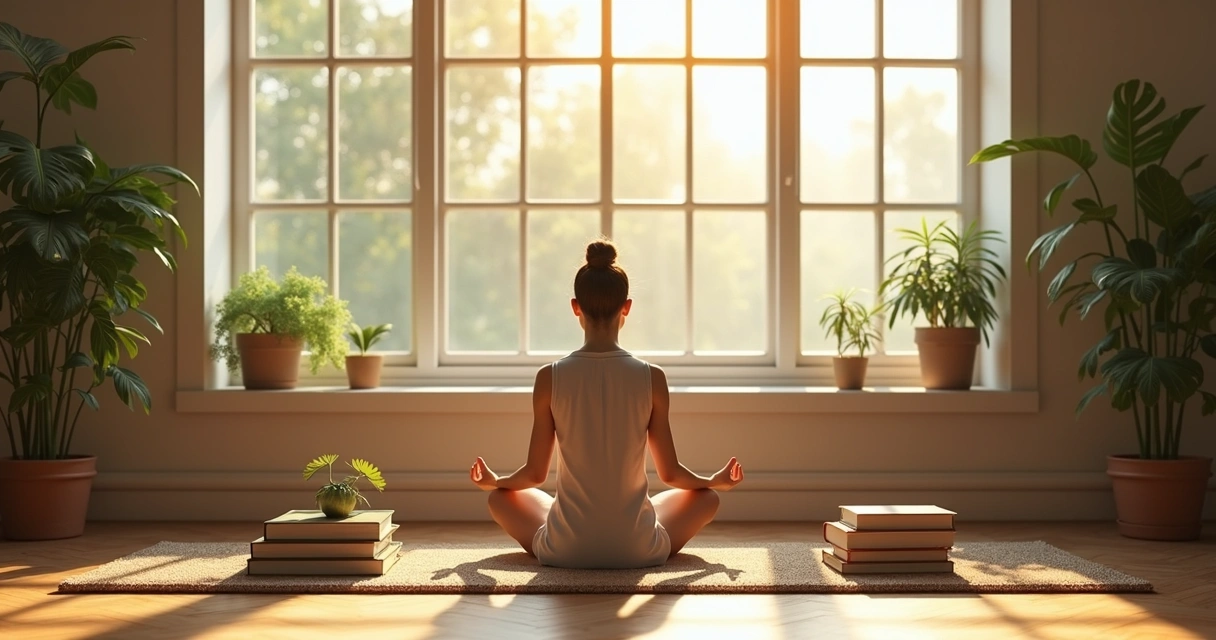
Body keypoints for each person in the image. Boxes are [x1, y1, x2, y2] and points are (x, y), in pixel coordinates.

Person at [469, 239, 744, 569]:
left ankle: (572, 533)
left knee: (500, 499)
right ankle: (635, 527)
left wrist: (494, 481)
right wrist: (714, 480)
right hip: (639, 549)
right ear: (626, 307)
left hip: (564, 549)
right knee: (707, 498)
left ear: (575, 306)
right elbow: (671, 474)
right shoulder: (651, 377)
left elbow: (534, 474)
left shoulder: (549, 377)